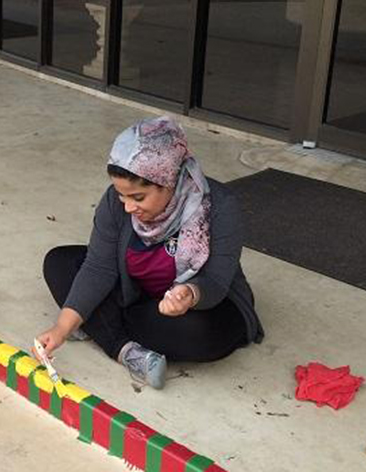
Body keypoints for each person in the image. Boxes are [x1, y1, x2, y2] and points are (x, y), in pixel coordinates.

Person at [36, 117, 263, 390]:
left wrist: (190, 294)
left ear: (168, 180)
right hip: (136, 293)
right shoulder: (115, 202)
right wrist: (61, 328)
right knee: (59, 263)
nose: (129, 207)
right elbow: (99, 267)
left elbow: (215, 281)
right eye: (123, 197)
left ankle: (99, 322)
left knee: (199, 334)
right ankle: (124, 349)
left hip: (197, 306)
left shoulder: (219, 206)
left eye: (138, 197)